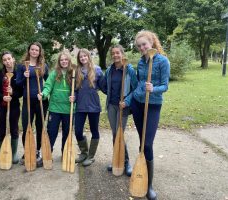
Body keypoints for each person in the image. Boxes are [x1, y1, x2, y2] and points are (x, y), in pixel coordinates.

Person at [131, 30, 170, 200]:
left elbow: (165, 85)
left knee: (147, 144)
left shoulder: (162, 61)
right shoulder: (141, 62)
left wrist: (153, 88)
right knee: (141, 142)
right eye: (139, 46)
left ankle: (150, 184)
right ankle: (142, 173)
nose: (142, 48)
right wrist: (137, 92)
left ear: (152, 42)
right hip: (138, 103)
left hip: (153, 105)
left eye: (144, 44)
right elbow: (140, 81)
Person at [102, 44, 138, 176]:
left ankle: (126, 162)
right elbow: (106, 85)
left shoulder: (129, 70)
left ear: (122, 54)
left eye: (118, 53)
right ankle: (116, 159)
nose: (115, 55)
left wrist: (127, 101)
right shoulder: (110, 69)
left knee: (119, 133)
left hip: (123, 107)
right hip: (111, 105)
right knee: (114, 134)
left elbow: (136, 88)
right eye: (113, 53)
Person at [16, 42, 49, 167]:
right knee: (26, 126)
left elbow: (49, 81)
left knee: (40, 126)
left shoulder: (43, 65)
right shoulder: (22, 66)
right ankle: (28, 151)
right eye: (32, 49)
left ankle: (39, 151)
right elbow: (18, 83)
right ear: (29, 50)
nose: (34, 51)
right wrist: (24, 77)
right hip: (27, 100)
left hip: (41, 101)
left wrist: (45, 93)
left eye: (37, 50)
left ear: (39, 52)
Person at [71, 48, 104, 166]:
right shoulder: (76, 71)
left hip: (94, 106)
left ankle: (91, 156)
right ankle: (84, 152)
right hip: (80, 105)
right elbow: (74, 89)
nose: (83, 58)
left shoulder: (97, 70)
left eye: (85, 56)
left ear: (88, 56)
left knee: (94, 130)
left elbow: (103, 86)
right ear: (79, 59)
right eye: (81, 57)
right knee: (78, 130)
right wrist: (73, 96)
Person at [37, 50, 74, 154]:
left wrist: (75, 97)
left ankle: (65, 153)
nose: (64, 61)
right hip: (55, 108)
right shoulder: (54, 73)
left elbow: (77, 89)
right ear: (59, 61)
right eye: (61, 60)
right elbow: (48, 86)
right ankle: (47, 153)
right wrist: (43, 94)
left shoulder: (74, 73)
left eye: (66, 59)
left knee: (67, 133)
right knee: (52, 132)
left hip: (69, 109)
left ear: (69, 61)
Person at [0, 51, 23, 164]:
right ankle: (2, 153)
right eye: (4, 60)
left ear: (13, 59)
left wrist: (13, 92)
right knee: (1, 129)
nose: (7, 61)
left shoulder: (19, 74)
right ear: (3, 62)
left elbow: (21, 92)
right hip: (0, 106)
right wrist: (2, 97)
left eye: (9, 59)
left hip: (13, 106)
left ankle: (13, 153)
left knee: (14, 129)